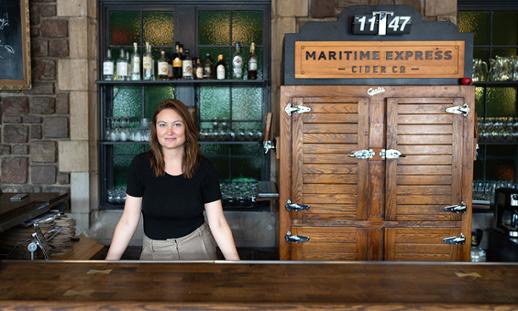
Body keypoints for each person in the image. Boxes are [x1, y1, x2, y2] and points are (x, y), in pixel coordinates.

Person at [106, 99, 240, 261]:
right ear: (155, 130)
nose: (169, 131)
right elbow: (128, 221)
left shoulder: (204, 168)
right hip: (154, 252)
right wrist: (109, 262)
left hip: (197, 248)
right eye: (162, 125)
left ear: (187, 129)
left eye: (177, 124)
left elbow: (217, 222)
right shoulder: (140, 165)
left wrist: (235, 264)